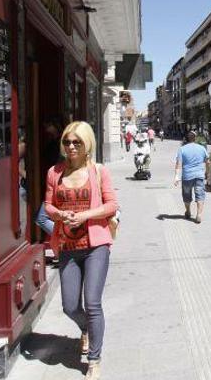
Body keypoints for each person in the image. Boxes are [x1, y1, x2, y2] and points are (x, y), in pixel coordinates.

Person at [43, 121, 118, 380]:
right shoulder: (55, 172)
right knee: (69, 305)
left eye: (77, 142)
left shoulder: (99, 171)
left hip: (96, 245)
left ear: (88, 145)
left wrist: (84, 215)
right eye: (67, 142)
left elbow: (111, 205)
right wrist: (60, 214)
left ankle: (94, 360)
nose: (71, 146)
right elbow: (48, 205)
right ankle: (86, 328)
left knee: (93, 302)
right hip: (67, 245)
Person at [174, 131, 209, 223]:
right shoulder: (202, 148)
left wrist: (176, 177)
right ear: (195, 138)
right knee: (200, 195)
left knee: (186, 195)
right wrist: (207, 173)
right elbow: (207, 162)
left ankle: (188, 211)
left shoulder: (182, 149)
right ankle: (199, 215)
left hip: (187, 176)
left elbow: (179, 163)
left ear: (186, 139)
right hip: (199, 175)